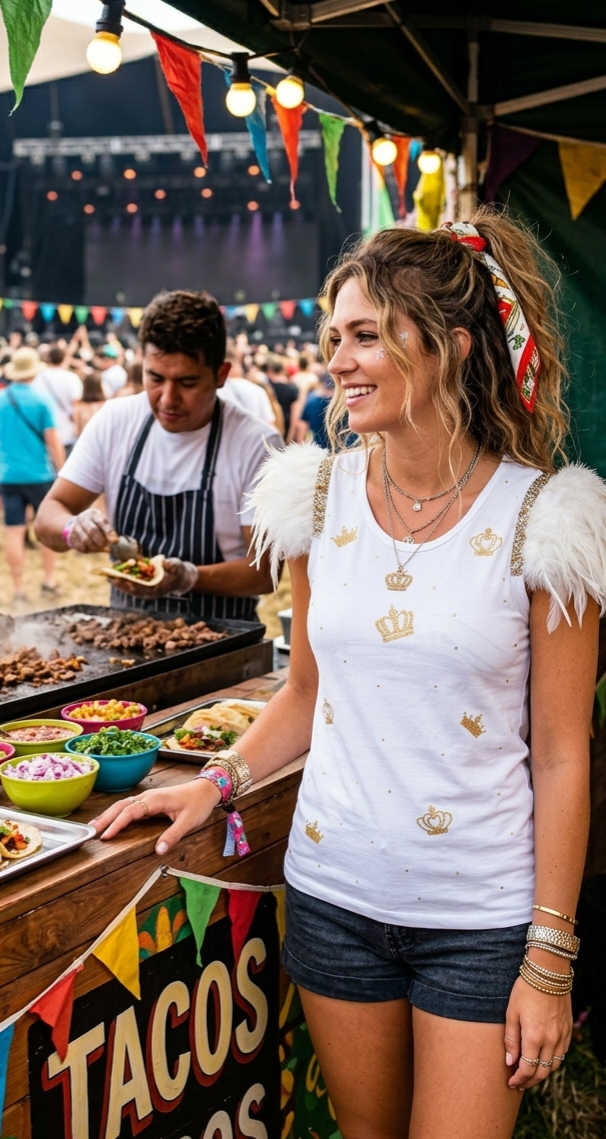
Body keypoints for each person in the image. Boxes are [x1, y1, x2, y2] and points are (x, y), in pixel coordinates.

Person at [91, 211, 606, 1138]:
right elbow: (306, 692)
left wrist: (549, 954)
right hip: (334, 896)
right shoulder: (316, 497)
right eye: (335, 337)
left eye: (366, 335)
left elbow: (565, 755)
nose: (337, 360)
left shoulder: (548, 522)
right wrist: (215, 782)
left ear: (449, 346)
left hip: (480, 914)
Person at [35, 290, 280, 619]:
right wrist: (71, 528)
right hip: (128, 628)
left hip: (223, 631)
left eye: (187, 383)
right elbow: (47, 517)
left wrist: (187, 577)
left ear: (221, 375)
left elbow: (263, 573)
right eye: (155, 378)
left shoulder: (255, 444)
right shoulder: (116, 421)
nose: (167, 399)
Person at [0, 347, 65, 600]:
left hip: (8, 475)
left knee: (13, 530)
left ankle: (18, 589)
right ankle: (49, 581)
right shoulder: (42, 400)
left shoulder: (2, 399)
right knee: (46, 529)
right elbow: (53, 441)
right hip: (40, 475)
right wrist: (62, 471)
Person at [33, 344, 83, 457]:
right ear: (65, 359)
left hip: (43, 431)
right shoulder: (72, 378)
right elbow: (76, 405)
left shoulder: (39, 377)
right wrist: (77, 426)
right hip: (67, 431)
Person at [295, 371, 334, 448]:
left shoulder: (311, 401)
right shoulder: (342, 403)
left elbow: (302, 428)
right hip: (341, 448)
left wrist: (301, 448)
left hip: (318, 447)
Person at [265, 355, 299, 440]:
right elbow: (294, 416)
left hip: (271, 428)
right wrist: (290, 437)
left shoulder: (267, 387)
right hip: (286, 427)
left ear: (270, 370)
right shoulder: (292, 388)